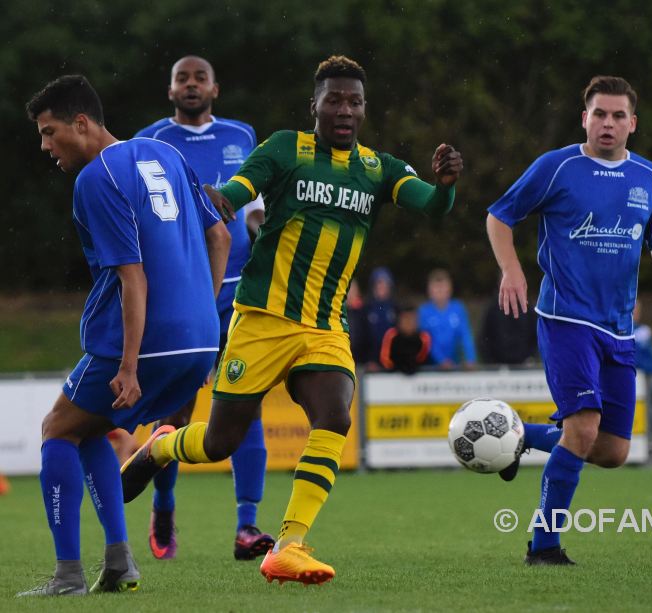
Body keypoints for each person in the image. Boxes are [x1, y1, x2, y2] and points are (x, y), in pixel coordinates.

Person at [120, 55, 463, 585]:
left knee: (335, 417)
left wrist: (445, 187)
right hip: (261, 318)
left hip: (324, 326)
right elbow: (236, 192)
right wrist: (215, 200)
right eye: (335, 100)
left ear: (364, 110)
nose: (345, 110)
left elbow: (431, 207)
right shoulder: (285, 148)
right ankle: (160, 447)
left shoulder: (380, 168)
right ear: (316, 105)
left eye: (355, 102)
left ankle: (289, 543)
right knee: (218, 443)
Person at [20, 75, 230, 596]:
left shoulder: (96, 178)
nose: (46, 146)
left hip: (143, 341)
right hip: (201, 337)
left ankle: (67, 575)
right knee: (90, 428)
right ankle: (118, 563)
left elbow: (131, 276)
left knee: (57, 429)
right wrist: (205, 326)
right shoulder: (164, 153)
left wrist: (130, 364)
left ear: (83, 123)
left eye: (49, 132)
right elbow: (221, 235)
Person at [486, 75, 652, 565]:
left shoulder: (651, 177)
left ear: (633, 124)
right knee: (582, 429)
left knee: (613, 451)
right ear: (585, 118)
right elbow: (499, 216)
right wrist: (511, 269)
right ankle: (544, 546)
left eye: (619, 116)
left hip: (619, 330)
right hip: (565, 319)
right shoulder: (557, 167)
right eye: (599, 114)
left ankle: (521, 439)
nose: (608, 124)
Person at [135, 55, 272, 562]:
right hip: (186, 293)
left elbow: (256, 215)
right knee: (177, 410)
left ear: (216, 87)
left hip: (240, 296)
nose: (191, 85)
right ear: (170, 90)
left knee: (246, 399)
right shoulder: (149, 141)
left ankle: (247, 524)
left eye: (199, 78)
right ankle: (165, 503)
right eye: (181, 78)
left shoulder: (241, 134)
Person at [418, 269, 477, 369]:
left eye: (443, 287)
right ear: (429, 291)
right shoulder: (424, 312)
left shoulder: (458, 308)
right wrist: (441, 360)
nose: (440, 291)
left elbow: (466, 335)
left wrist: (471, 359)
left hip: (454, 365)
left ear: (450, 289)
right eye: (436, 287)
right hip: (430, 367)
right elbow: (426, 340)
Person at [479, 278, 537, 365]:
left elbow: (536, 337)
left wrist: (531, 357)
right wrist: (491, 363)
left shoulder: (528, 308)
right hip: (498, 367)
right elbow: (484, 339)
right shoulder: (492, 309)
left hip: (524, 367)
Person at [379, 304, 432, 374]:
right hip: (393, 377)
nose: (408, 322)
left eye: (412, 319)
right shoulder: (391, 335)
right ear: (399, 321)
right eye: (405, 319)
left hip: (420, 377)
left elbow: (422, 359)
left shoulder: (424, 337)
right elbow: (385, 359)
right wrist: (396, 367)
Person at [365, 267, 397, 370]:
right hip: (371, 364)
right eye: (379, 283)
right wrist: (370, 360)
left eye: (385, 283)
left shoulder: (396, 308)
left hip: (393, 363)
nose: (382, 286)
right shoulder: (366, 309)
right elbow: (363, 337)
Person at [345, 279, 370, 365]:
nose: (350, 293)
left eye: (353, 290)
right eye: (348, 290)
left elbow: (368, 337)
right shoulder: (338, 312)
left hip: (361, 362)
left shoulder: (364, 311)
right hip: (344, 361)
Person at [633, 299, 652, 375]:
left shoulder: (644, 331)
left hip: (644, 373)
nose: (634, 313)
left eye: (636, 310)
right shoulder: (614, 332)